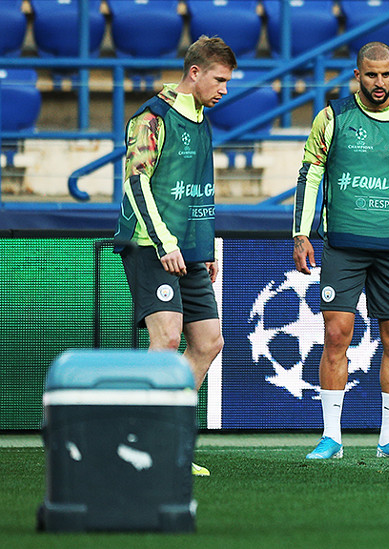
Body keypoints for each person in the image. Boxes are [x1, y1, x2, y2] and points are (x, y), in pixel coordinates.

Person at [292, 42, 389, 461]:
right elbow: (311, 173)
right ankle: (331, 438)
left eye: (387, 74)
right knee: (336, 335)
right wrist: (302, 232)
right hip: (343, 245)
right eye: (371, 74)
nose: (380, 82)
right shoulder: (333, 117)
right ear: (357, 75)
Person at [114, 35, 237, 477]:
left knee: (208, 342)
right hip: (151, 246)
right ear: (195, 73)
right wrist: (165, 242)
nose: (225, 89)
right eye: (220, 79)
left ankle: (163, 438)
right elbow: (135, 182)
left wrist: (204, 248)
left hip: (188, 251)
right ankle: (137, 440)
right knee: (166, 340)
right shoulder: (151, 118)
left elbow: (199, 191)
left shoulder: (202, 118)